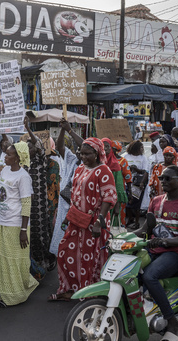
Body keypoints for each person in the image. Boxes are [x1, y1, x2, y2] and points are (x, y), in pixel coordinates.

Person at [135, 166, 178, 340]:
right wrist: (120, 236)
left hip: (175, 254)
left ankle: (172, 321)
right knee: (130, 271)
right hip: (153, 249)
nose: (163, 181)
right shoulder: (156, 201)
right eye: (161, 178)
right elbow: (144, 229)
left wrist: (163, 241)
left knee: (150, 276)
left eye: (167, 178)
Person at [47, 138, 117, 302]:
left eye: (87, 154)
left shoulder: (104, 171)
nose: (83, 157)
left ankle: (88, 292)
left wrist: (99, 223)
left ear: (97, 154)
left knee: (88, 259)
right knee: (64, 253)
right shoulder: (79, 169)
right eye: (82, 153)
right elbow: (75, 196)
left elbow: (109, 198)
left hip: (93, 223)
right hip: (76, 220)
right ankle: (69, 288)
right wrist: (67, 217)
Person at [0, 142, 38, 307]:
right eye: (5, 154)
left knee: (11, 261)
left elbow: (27, 203)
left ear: (17, 158)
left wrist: (23, 230)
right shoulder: (5, 170)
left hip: (15, 225)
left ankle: (14, 295)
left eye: (8, 155)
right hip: (1, 221)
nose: (4, 157)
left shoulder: (23, 177)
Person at [23, 116, 56, 272]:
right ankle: (31, 264)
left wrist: (28, 128)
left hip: (39, 205)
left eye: (30, 147)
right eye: (26, 148)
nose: (29, 149)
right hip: (26, 203)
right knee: (28, 234)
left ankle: (43, 260)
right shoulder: (23, 164)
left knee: (40, 234)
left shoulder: (40, 160)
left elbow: (38, 143)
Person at [49, 119, 83, 261]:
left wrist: (70, 130)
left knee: (76, 244)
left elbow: (87, 144)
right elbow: (60, 146)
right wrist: (62, 129)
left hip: (80, 209)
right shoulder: (72, 160)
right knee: (62, 241)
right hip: (65, 205)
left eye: (86, 152)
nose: (82, 153)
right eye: (80, 151)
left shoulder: (93, 168)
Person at [101, 138, 127, 228]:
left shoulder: (115, 165)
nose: (105, 149)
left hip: (110, 203)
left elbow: (118, 188)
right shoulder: (97, 163)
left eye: (107, 147)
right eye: (103, 147)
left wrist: (116, 207)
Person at [125, 140, 149, 229]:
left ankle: (137, 222)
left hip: (137, 183)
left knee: (136, 204)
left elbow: (145, 171)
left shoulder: (143, 158)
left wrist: (137, 169)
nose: (142, 149)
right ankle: (130, 218)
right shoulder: (126, 156)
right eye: (141, 147)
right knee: (127, 202)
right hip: (127, 183)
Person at [112, 141, 132, 226]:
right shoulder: (105, 160)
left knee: (120, 213)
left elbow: (128, 177)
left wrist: (130, 192)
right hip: (108, 191)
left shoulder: (122, 161)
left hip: (119, 191)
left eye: (110, 148)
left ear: (116, 150)